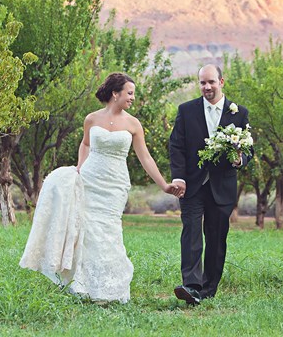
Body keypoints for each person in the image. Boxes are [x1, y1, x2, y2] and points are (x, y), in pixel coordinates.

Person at [20, 72, 180, 303]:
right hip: (90, 179)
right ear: (115, 93)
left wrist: (164, 185)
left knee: (109, 231)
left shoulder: (133, 124)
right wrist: (78, 168)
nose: (133, 98)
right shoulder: (91, 119)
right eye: (130, 93)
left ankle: (111, 286)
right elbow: (85, 145)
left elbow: (145, 157)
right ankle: (83, 284)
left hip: (115, 184)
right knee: (87, 231)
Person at [169, 64, 252, 305]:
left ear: (221, 82)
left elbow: (249, 148)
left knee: (216, 238)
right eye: (203, 83)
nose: (207, 87)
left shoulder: (239, 113)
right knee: (191, 233)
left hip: (222, 186)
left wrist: (240, 159)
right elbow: (176, 146)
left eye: (211, 82)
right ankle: (191, 287)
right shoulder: (186, 110)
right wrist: (179, 177)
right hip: (191, 185)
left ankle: (208, 288)